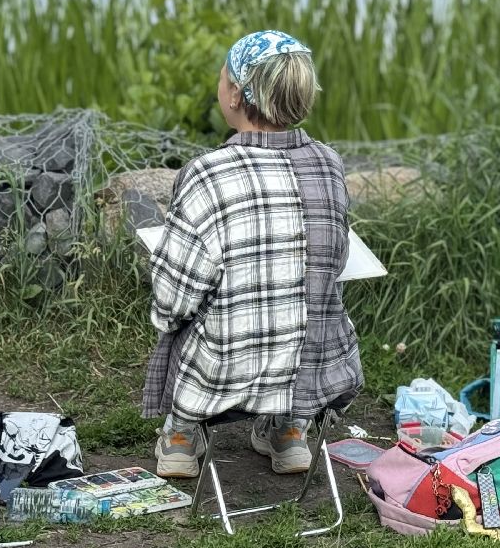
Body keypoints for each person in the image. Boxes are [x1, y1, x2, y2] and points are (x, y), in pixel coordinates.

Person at [143, 30, 364, 478]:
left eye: (223, 77)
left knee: (186, 314)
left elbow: (173, 297)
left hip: (224, 373)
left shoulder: (208, 172)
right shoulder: (329, 163)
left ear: (238, 96)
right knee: (297, 304)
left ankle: (183, 436)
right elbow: (332, 260)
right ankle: (288, 430)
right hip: (317, 369)